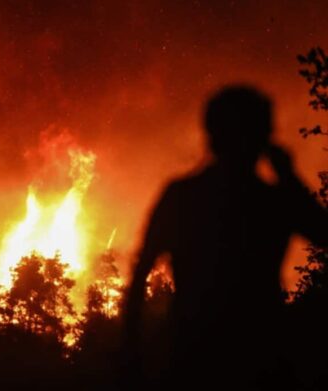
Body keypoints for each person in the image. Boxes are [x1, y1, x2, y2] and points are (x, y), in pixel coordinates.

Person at [123, 85, 328, 389]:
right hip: (260, 358)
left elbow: (139, 276)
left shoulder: (182, 196)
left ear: (210, 134)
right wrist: (289, 178)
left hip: (193, 360)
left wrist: (132, 357)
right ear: (264, 137)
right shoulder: (272, 202)